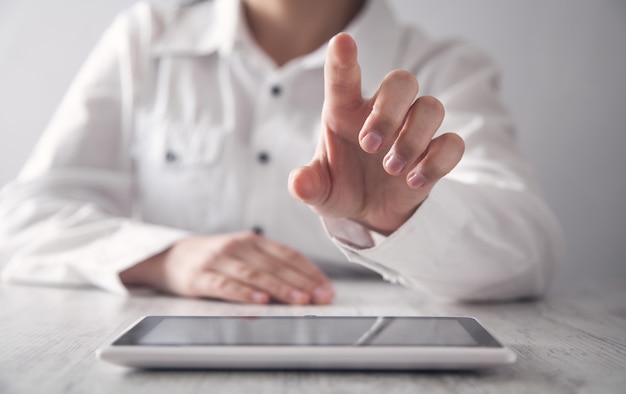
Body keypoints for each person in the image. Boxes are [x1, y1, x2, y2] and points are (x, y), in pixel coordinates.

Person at [0, 0, 563, 304]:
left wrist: (407, 217)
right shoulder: (145, 38)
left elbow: (528, 252)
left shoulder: (444, 67)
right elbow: (23, 220)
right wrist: (165, 257)